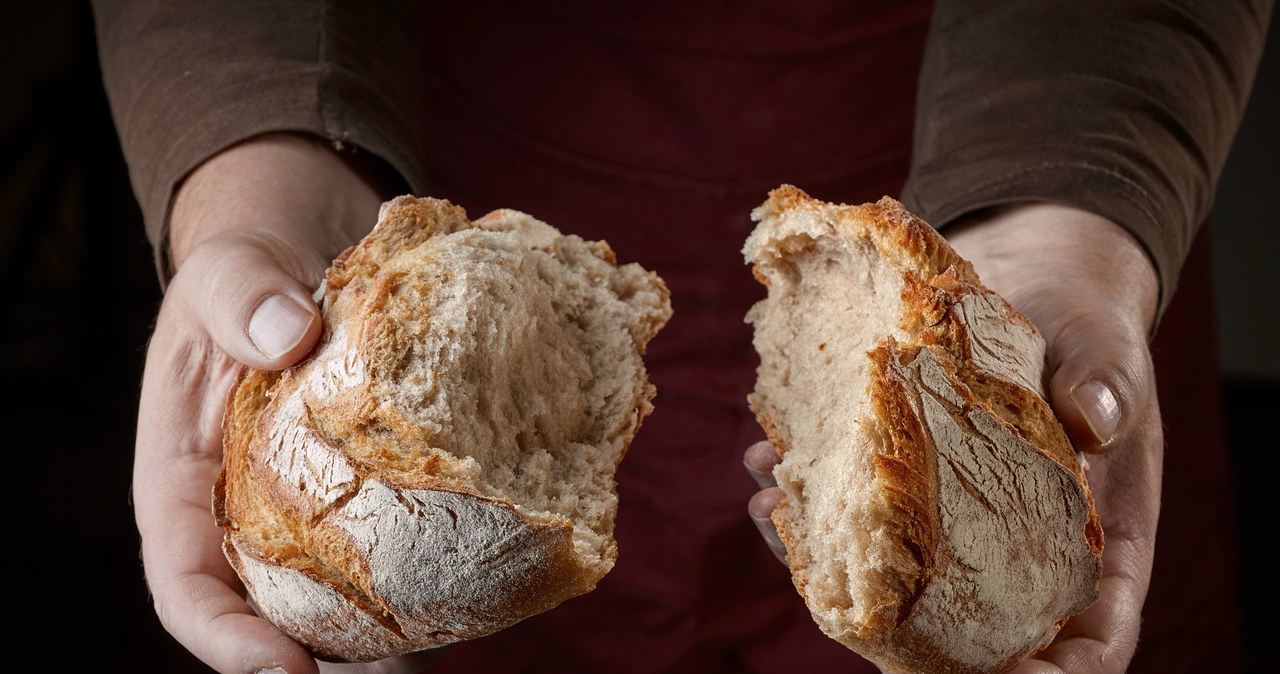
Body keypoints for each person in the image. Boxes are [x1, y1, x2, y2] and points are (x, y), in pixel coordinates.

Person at [94, 1, 1270, 672]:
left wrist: (1063, 222)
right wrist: (264, 175)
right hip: (426, 150)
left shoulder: (1001, 324)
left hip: (999, 229)